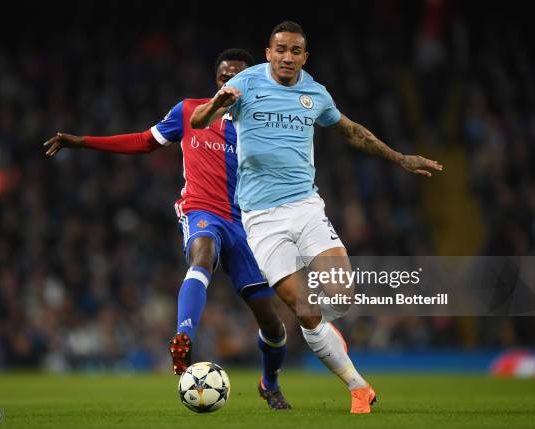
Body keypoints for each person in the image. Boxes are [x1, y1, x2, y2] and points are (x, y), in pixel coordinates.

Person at [191, 22, 444, 414]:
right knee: (306, 312)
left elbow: (353, 132)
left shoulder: (316, 93)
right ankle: (359, 388)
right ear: (268, 52)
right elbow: (199, 122)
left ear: (305, 57)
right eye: (281, 50)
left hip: (306, 207)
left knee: (341, 297)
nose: (287, 57)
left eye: (295, 51)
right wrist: (217, 104)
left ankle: (326, 334)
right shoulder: (245, 83)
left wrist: (401, 159)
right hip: (261, 219)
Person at [43, 49, 291, 410]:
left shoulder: (261, 125)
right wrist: (82, 141)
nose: (228, 83)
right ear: (216, 81)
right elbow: (144, 141)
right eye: (223, 77)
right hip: (201, 210)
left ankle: (270, 383)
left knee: (271, 323)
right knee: (202, 252)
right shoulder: (189, 111)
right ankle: (183, 339)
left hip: (247, 223)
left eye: (236, 77)